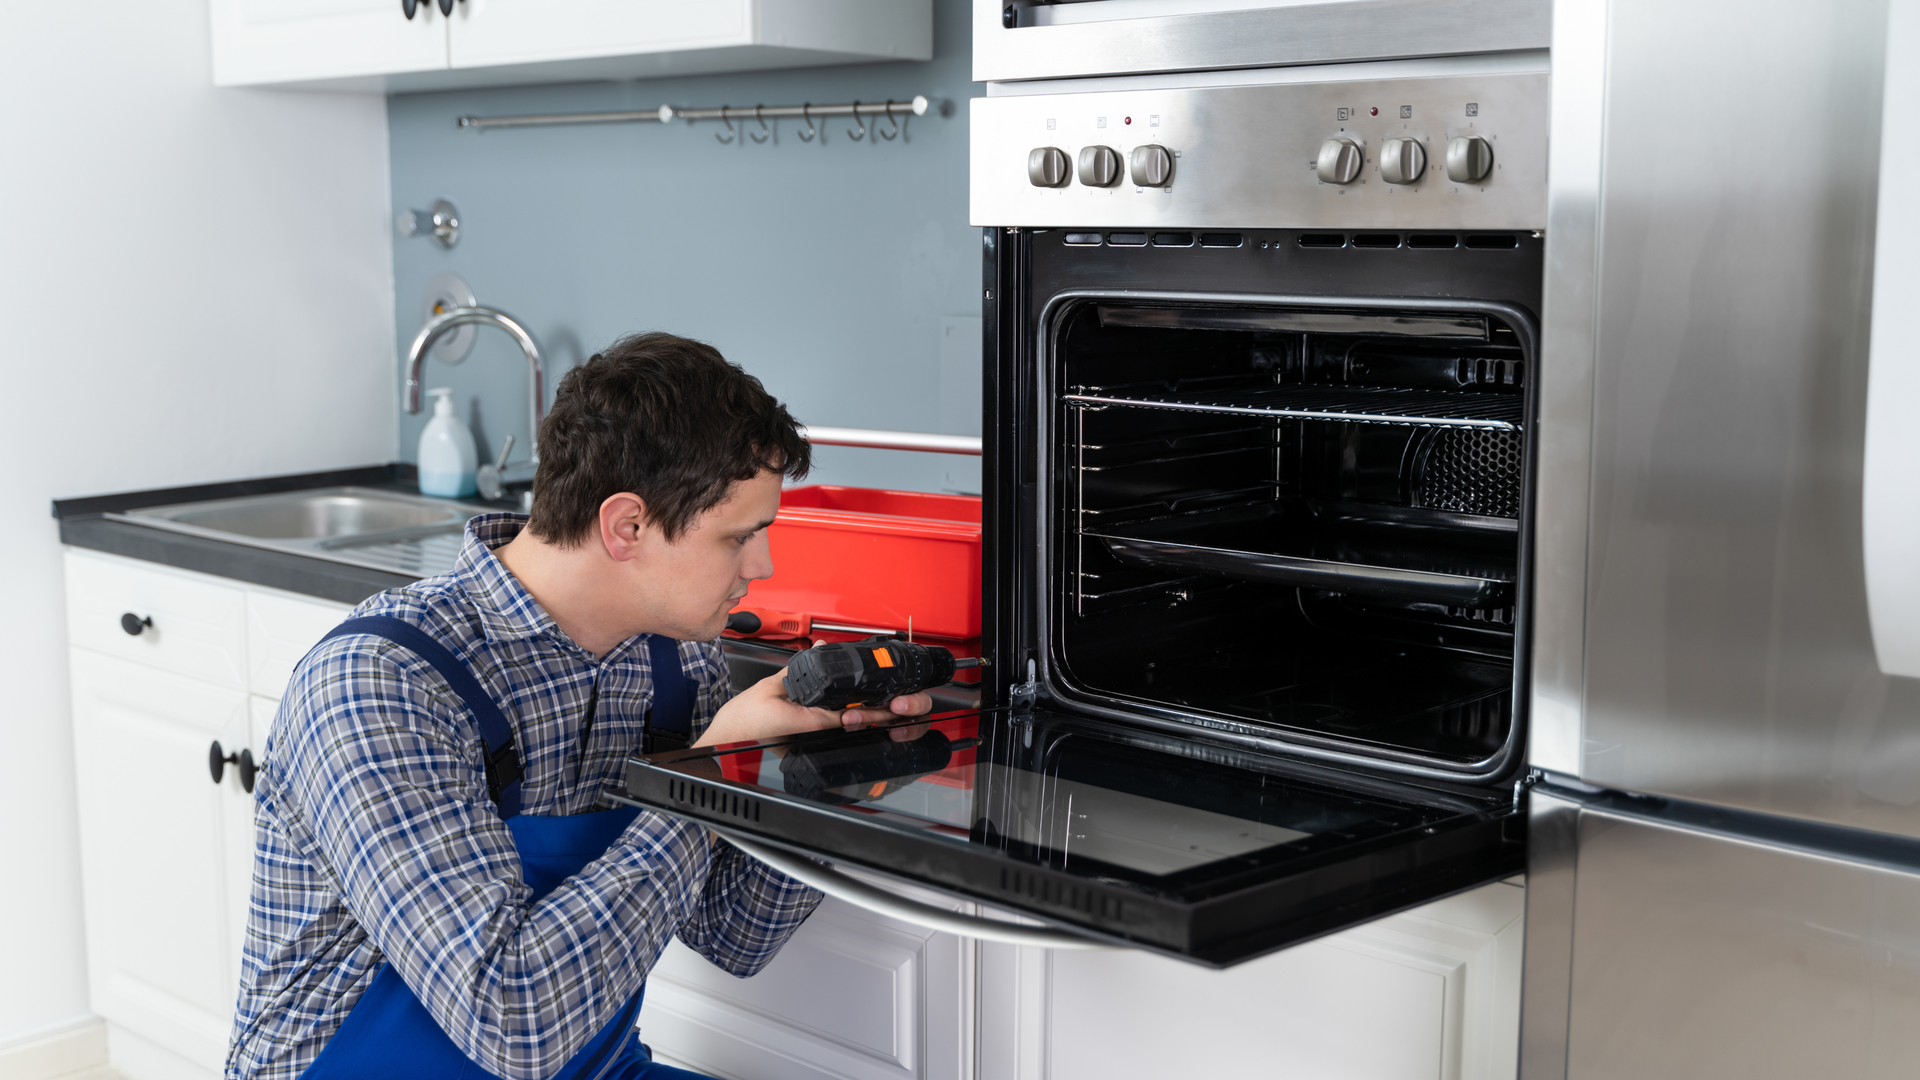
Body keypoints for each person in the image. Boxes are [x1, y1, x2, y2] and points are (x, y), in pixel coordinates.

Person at [224, 333, 934, 1080]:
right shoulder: (381, 684)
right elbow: (511, 1024)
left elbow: (735, 935)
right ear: (625, 526)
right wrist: (710, 782)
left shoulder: (674, 661)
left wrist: (820, 769)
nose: (763, 567)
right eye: (739, 537)